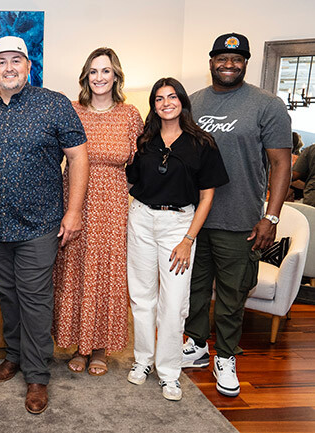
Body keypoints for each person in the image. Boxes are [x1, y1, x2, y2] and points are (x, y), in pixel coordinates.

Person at [0, 36, 89, 414]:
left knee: (35, 300)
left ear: (28, 66)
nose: (9, 68)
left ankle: (37, 376)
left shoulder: (53, 104)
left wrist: (74, 211)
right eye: (1, 62)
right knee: (9, 297)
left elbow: (79, 158)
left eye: (15, 61)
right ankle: (15, 356)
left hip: (40, 225)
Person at [182, 32, 292, 397]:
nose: (229, 64)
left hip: (241, 218)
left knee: (232, 295)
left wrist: (271, 217)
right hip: (194, 219)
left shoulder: (267, 104)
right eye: (222, 58)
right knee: (194, 291)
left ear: (246, 63)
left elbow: (281, 164)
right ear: (211, 60)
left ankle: (226, 356)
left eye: (237, 59)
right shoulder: (192, 102)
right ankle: (196, 346)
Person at [126, 77, 228, 401]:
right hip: (141, 219)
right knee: (142, 297)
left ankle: (169, 372)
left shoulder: (202, 143)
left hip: (178, 225)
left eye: (172, 97)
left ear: (182, 101)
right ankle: (143, 360)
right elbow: (130, 181)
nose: (165, 103)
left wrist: (188, 239)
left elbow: (207, 196)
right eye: (159, 98)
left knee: (174, 303)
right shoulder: (144, 140)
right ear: (153, 105)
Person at [52, 47, 143, 376]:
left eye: (106, 71)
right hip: (74, 199)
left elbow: (140, 166)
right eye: (93, 71)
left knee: (106, 275)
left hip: (113, 205)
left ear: (116, 75)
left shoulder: (130, 115)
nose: (99, 77)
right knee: (74, 271)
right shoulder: (71, 110)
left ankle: (100, 347)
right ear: (85, 77)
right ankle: (78, 344)